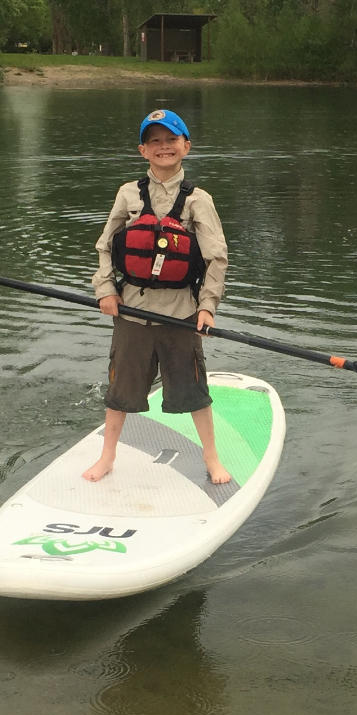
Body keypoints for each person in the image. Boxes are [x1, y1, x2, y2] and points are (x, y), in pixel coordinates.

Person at [83, 108, 230, 485]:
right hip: (131, 312)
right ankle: (107, 456)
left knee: (194, 391)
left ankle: (211, 458)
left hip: (180, 313)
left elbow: (217, 258)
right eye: (154, 141)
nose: (163, 147)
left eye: (171, 140)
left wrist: (207, 308)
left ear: (186, 147)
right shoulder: (127, 194)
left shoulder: (199, 200)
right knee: (120, 392)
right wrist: (106, 290)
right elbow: (104, 247)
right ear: (142, 150)